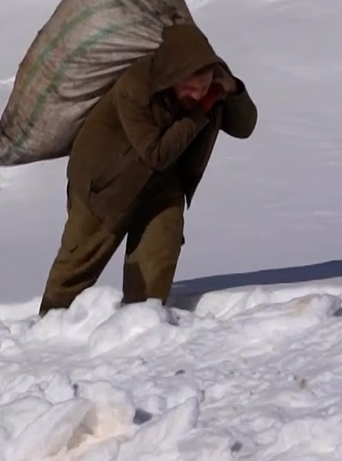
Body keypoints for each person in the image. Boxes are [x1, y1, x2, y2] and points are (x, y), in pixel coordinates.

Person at [40, 23, 257, 315]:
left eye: (204, 87)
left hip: (160, 184)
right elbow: (155, 152)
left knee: (155, 265)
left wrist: (234, 90)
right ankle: (46, 337)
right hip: (105, 184)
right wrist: (201, 109)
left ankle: (139, 333)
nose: (197, 94)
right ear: (171, 76)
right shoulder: (136, 86)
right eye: (190, 88)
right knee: (76, 271)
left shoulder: (212, 86)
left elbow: (245, 127)